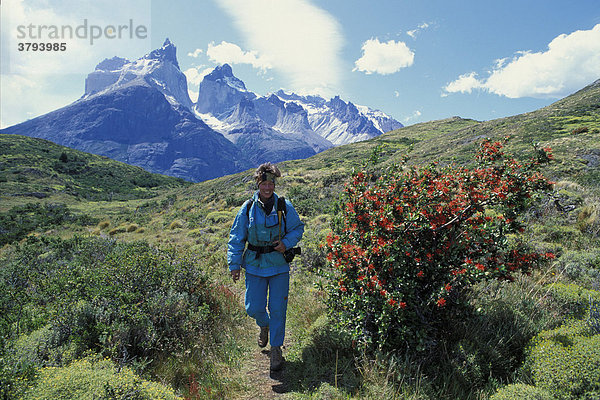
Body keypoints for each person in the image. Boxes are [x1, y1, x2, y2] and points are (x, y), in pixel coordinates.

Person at [227, 162, 304, 371]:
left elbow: (297, 228)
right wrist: (234, 264)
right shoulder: (248, 208)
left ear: (274, 184)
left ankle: (277, 349)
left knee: (278, 309)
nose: (268, 188)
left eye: (271, 183)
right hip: (254, 265)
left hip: (279, 266)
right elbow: (236, 237)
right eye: (264, 184)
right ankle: (264, 325)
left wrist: (286, 243)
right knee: (253, 308)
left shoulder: (284, 206)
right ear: (258, 184)